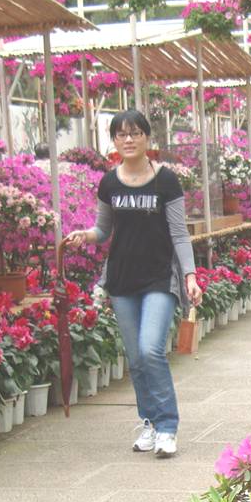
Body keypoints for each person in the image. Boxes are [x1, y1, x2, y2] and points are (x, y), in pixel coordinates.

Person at [65, 110, 202, 459]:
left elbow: (179, 233)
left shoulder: (166, 181)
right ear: (113, 141)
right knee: (136, 359)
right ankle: (150, 422)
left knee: (150, 349)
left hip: (159, 277)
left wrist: (190, 274)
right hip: (121, 280)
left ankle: (168, 425)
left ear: (146, 138)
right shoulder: (109, 183)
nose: (128, 139)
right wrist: (86, 235)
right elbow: (104, 229)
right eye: (121, 134)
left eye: (135, 133)